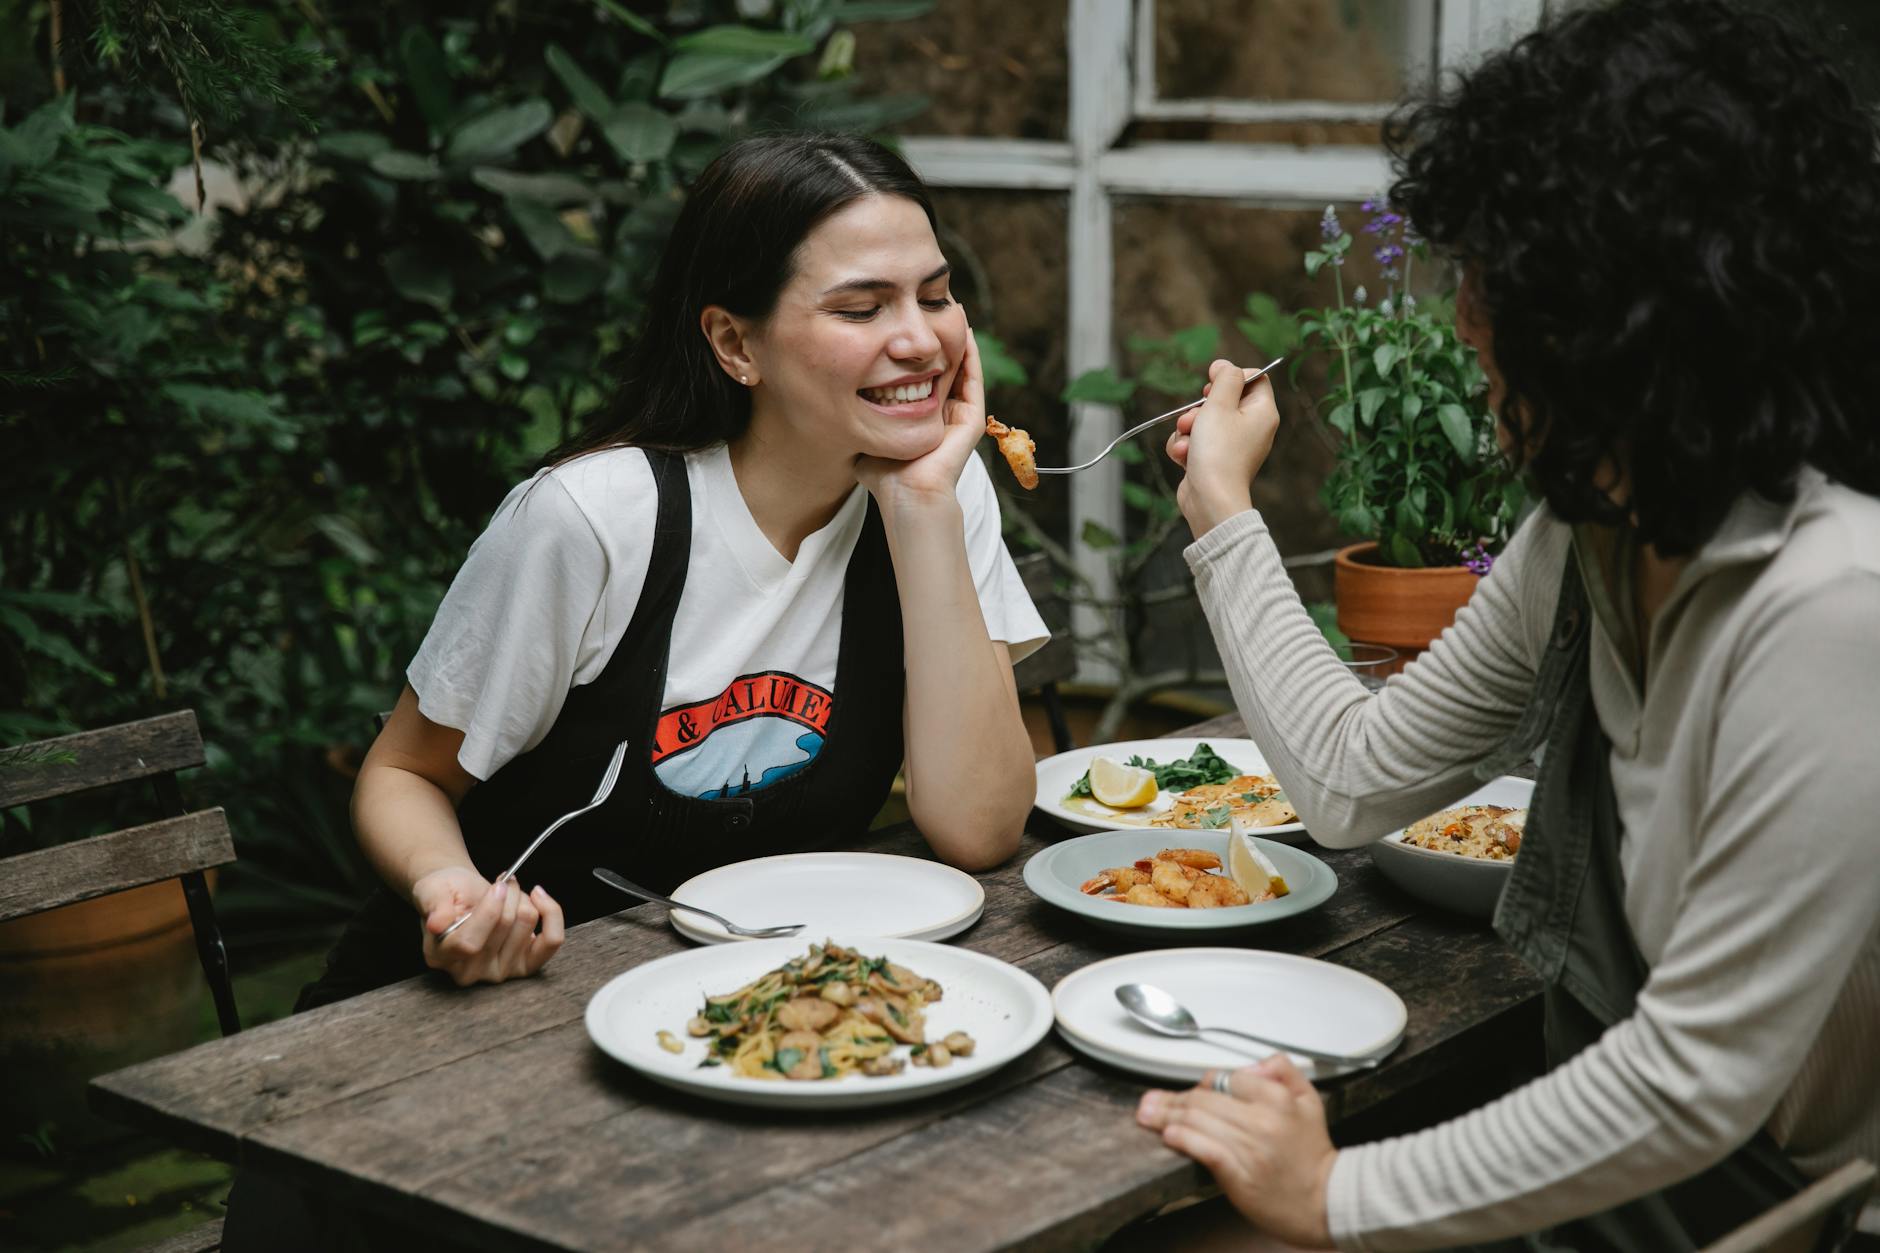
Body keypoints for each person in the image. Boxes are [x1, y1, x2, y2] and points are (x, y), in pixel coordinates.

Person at [1136, 2, 1880, 1250]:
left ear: (1610, 315)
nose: (1461, 316)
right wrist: (1221, 509)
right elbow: (1351, 774)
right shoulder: (1585, 529)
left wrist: (1334, 1193)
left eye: (1490, 276)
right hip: (1648, 1172)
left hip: (1789, 1209)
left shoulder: (1828, 605)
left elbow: (1691, 1079)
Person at [301, 131, 1046, 1006]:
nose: (922, 341)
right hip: (487, 1007)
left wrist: (923, 511)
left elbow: (981, 828)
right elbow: (404, 774)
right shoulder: (594, 520)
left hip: (741, 1002)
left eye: (936, 294)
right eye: (862, 308)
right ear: (737, 344)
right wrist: (451, 889)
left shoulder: (940, 492)